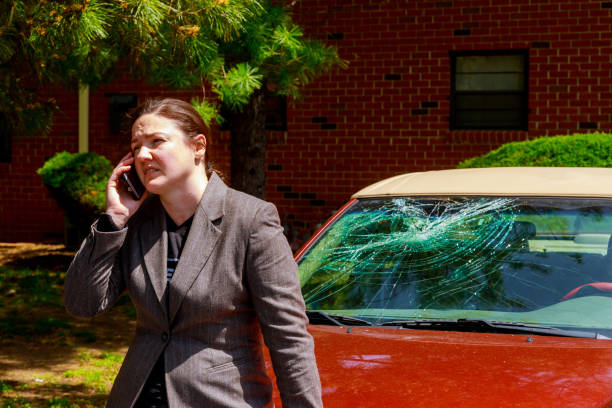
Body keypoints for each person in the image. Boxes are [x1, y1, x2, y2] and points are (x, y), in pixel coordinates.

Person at [64, 98, 323, 408]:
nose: (143, 155)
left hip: (220, 399)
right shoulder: (137, 223)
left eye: (156, 141)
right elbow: (82, 304)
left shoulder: (250, 220)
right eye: (135, 147)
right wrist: (113, 220)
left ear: (198, 146)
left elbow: (288, 337)